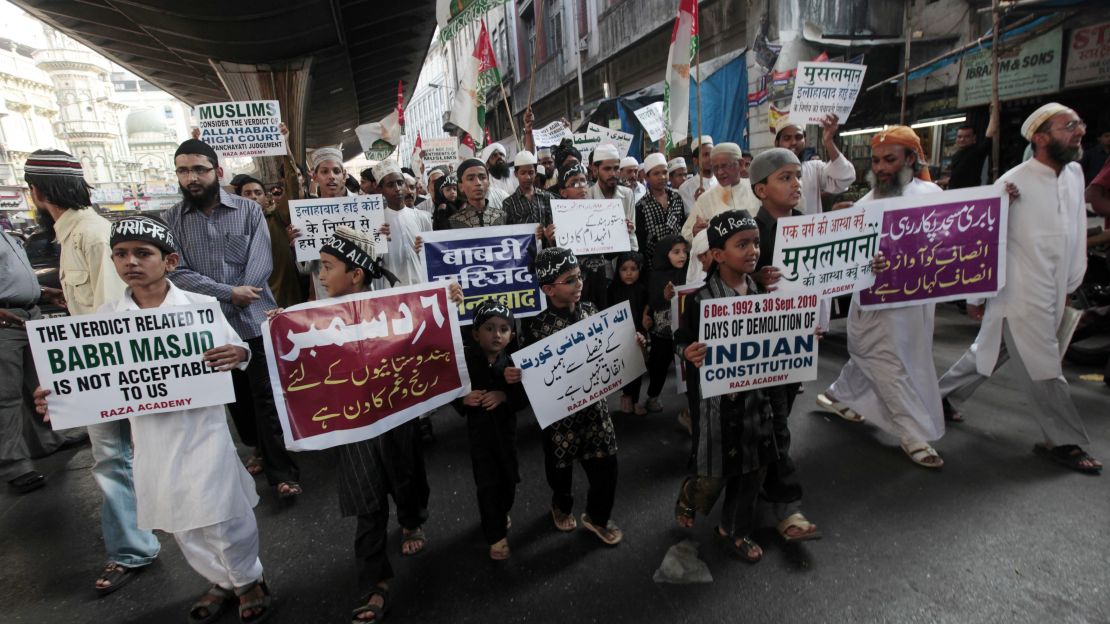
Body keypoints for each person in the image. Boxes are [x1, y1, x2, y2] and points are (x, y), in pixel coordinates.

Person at [36, 214, 272, 623]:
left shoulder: (200, 307)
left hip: (203, 431)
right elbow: (88, 376)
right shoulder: (106, 320)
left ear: (170, 261)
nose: (131, 262)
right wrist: (57, 396)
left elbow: (237, 351)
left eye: (142, 253)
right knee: (181, 519)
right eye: (121, 254)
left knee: (222, 513)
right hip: (151, 438)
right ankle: (223, 580)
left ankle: (249, 579)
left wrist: (240, 354)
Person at [270, 226, 437, 623]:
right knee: (368, 502)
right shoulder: (317, 318)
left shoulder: (393, 308)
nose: (321, 276)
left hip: (397, 418)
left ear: (357, 273)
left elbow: (426, 332)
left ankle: (413, 521)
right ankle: (374, 582)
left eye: (327, 267)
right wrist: (281, 326)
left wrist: (446, 301)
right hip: (356, 426)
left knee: (407, 477)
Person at [24, 149, 161, 594]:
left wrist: (74, 381)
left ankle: (133, 548)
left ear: (38, 191)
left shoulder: (93, 235)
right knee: (117, 459)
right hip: (99, 371)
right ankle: (136, 541)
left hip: (107, 371)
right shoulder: (77, 233)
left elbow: (112, 318)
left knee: (113, 460)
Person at [938, 103, 1102, 474]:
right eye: (1068, 126)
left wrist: (1071, 283)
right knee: (1045, 367)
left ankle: (939, 397)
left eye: (1080, 123)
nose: (1079, 131)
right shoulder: (1012, 183)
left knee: (990, 352)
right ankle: (1062, 440)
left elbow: (1074, 232)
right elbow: (983, 243)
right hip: (1019, 294)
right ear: (1041, 138)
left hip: (1054, 291)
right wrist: (976, 298)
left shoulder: (1074, 174)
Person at [164, 138, 303, 499]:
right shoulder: (172, 220)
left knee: (266, 398)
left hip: (254, 317)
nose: (191, 177)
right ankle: (256, 447)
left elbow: (260, 263)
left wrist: (242, 291)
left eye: (199, 169)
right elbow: (178, 273)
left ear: (217, 172)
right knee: (236, 400)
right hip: (209, 325)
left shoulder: (248, 210)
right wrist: (228, 293)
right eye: (183, 170)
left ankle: (282, 472)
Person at [811, 127, 948, 468]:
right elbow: (845, 260)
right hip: (874, 302)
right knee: (883, 358)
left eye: (890, 159)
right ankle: (913, 432)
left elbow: (951, 241)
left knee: (899, 359)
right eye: (876, 160)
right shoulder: (864, 205)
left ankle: (843, 396)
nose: (882, 167)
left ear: (911, 160)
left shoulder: (932, 194)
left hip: (915, 305)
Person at [672, 211, 779, 563]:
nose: (753, 251)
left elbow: (779, 331)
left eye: (756, 243)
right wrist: (686, 351)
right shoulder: (701, 300)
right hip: (718, 408)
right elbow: (681, 339)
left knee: (752, 471)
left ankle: (733, 530)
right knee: (712, 477)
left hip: (756, 403)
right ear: (717, 254)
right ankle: (690, 496)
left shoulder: (763, 290)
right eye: (742, 244)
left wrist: (801, 336)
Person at [509, 247, 625, 545]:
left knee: (607, 464)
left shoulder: (592, 312)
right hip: (559, 417)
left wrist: (632, 342)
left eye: (579, 277)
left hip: (595, 408)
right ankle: (561, 504)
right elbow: (529, 373)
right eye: (570, 280)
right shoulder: (536, 328)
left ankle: (597, 517)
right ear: (548, 289)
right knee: (560, 468)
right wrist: (516, 375)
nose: (580, 284)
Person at [454, 301, 528, 560]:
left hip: (506, 439)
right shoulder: (466, 364)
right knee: (487, 486)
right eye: (489, 328)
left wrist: (505, 395)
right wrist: (463, 399)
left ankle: (500, 512)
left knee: (508, 482)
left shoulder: (514, 366)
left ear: (512, 335)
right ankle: (495, 537)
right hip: (480, 441)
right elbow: (449, 389)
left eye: (504, 329)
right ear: (475, 333)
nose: (497, 334)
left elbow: (525, 399)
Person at [0, 228, 67, 495]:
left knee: (38, 386)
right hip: (5, 321)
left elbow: (11, 278)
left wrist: (41, 291)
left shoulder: (6, 234)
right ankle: (14, 466)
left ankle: (46, 442)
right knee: (6, 397)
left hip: (29, 315)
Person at [234, 176, 302, 310]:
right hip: (253, 296)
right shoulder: (234, 227)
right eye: (247, 193)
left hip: (284, 293)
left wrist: (287, 157)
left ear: (265, 198)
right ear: (238, 199)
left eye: (258, 193)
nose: (253, 197)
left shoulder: (276, 218)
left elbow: (292, 188)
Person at [773, 115, 855, 214]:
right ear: (777, 143)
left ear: (805, 140)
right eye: (787, 138)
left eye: (798, 137)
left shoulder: (814, 168)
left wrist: (828, 141)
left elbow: (845, 178)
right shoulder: (769, 173)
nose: (794, 142)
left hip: (810, 228)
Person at [372, 160, 432, 289]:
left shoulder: (423, 218)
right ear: (380, 189)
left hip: (422, 287)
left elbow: (431, 255)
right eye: (390, 185)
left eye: (400, 183)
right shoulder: (376, 223)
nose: (397, 189)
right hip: (392, 292)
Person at [645, 235, 688, 413]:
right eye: (676, 252)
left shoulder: (688, 272)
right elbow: (653, 303)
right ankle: (652, 396)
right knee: (659, 366)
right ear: (664, 254)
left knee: (687, 365)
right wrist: (665, 296)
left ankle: (691, 402)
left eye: (685, 251)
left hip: (683, 330)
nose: (682, 256)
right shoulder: (656, 275)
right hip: (662, 332)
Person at [683, 143, 760, 241]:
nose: (720, 172)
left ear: (740, 164)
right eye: (715, 167)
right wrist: (694, 232)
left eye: (724, 166)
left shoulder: (757, 190)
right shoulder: (705, 199)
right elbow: (686, 233)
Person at [607, 251, 650, 416]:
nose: (629, 273)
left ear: (640, 270)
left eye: (634, 269)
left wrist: (644, 329)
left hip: (638, 333)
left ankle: (636, 400)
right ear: (618, 270)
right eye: (624, 269)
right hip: (619, 335)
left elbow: (647, 311)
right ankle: (627, 395)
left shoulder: (642, 289)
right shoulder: (612, 290)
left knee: (637, 368)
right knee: (624, 368)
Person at [635, 152, 686, 271]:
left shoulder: (676, 198)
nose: (662, 177)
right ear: (647, 177)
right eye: (656, 173)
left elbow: (683, 227)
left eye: (664, 172)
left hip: (679, 264)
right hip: (654, 266)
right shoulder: (641, 206)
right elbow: (641, 242)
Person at [503, 150, 555, 241]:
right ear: (516, 174)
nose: (527, 177)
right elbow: (507, 234)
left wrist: (546, 232)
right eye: (523, 173)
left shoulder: (547, 197)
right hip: (523, 252)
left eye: (531, 172)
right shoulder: (509, 203)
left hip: (547, 250)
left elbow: (555, 225)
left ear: (535, 172)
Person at [449, 159, 507, 229]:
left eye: (482, 178)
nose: (478, 183)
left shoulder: (502, 217)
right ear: (461, 186)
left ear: (488, 183)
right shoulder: (453, 222)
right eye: (470, 179)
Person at [942, 124, 994, 190]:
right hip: (954, 194)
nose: (962, 139)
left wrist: (994, 114)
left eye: (967, 137)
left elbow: (990, 136)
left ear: (974, 138)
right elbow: (955, 179)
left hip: (969, 195)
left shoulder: (977, 152)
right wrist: (936, 182)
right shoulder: (956, 156)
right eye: (959, 137)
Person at [678, 135, 716, 215]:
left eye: (712, 153)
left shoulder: (723, 183)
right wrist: (699, 203)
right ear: (695, 161)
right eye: (706, 155)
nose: (710, 158)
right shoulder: (685, 188)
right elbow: (690, 219)